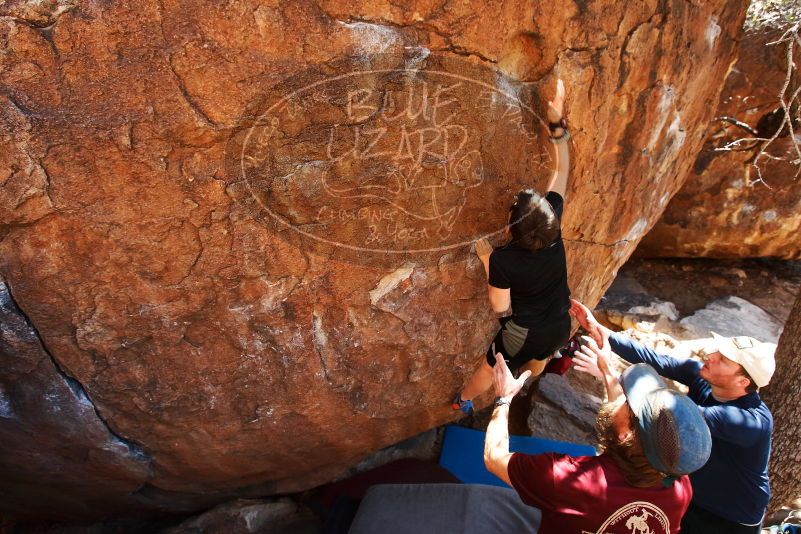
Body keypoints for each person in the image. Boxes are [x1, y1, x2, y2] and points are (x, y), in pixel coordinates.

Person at [570, 298, 777, 533]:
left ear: (742, 381)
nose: (711, 356)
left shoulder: (751, 422)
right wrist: (600, 330)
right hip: (690, 493)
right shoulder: (702, 376)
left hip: (729, 518)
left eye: (723, 360)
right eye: (717, 351)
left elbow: (670, 415)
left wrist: (611, 374)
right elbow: (655, 359)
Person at [483, 341, 711, 534]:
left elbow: (494, 457)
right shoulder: (678, 488)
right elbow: (626, 437)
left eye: (627, 401)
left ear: (626, 435)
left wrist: (504, 398)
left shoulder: (569, 481)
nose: (621, 398)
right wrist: (607, 371)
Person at [453, 78, 574, 414]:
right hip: (559, 324)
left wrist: (487, 258)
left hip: (526, 329)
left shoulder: (505, 259)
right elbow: (563, 168)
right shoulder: (554, 227)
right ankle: (527, 379)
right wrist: (557, 124)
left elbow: (499, 306)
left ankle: (462, 401)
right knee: (539, 356)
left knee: (490, 366)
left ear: (511, 226)